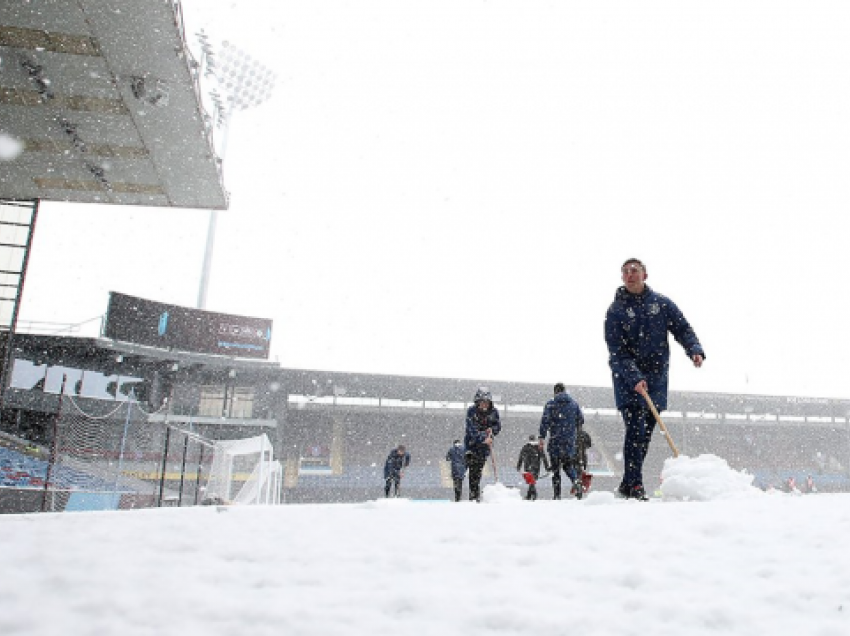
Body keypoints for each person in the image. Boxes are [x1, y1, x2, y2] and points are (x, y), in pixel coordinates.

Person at [604, 258, 705, 501]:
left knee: (645, 433)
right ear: (622, 277)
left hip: (657, 378)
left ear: (644, 275)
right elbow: (616, 351)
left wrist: (694, 349)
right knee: (635, 429)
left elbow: (682, 328)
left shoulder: (661, 304)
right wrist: (634, 377)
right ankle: (635, 484)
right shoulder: (615, 311)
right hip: (629, 382)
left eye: (634, 271)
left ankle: (628, 484)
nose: (630, 275)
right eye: (625, 272)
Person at [539, 383, 584, 500]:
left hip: (555, 440)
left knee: (555, 469)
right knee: (568, 465)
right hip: (569, 441)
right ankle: (576, 481)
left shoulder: (551, 404)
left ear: (555, 392)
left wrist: (542, 437)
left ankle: (557, 495)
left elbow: (545, 421)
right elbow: (581, 420)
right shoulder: (574, 404)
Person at [464, 387, 501, 502]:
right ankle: (473, 496)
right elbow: (471, 430)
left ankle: (475, 496)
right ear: (477, 402)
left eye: (486, 402)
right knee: (473, 471)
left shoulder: (494, 412)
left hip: (484, 449)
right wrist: (483, 437)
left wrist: (492, 430)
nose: (484, 405)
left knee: (478, 472)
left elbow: (498, 426)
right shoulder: (471, 411)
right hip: (472, 446)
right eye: (482, 402)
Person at [516, 434, 550, 501]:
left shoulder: (525, 447)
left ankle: (531, 495)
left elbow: (521, 457)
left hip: (527, 467)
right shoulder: (538, 447)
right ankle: (532, 495)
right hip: (536, 467)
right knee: (532, 481)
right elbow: (544, 458)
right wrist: (547, 467)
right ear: (534, 439)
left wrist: (518, 466)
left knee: (531, 481)